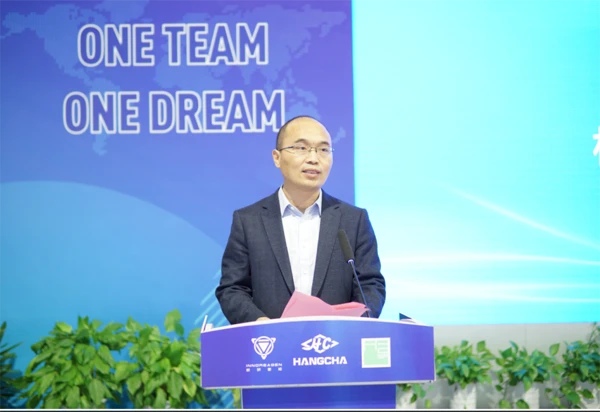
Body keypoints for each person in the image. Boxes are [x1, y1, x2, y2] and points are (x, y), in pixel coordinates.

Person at [215, 115, 386, 324]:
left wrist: (356, 323)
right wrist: (259, 323)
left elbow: (370, 284)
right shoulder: (249, 221)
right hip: (270, 341)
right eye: (301, 148)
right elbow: (232, 289)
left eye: (323, 149)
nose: (313, 158)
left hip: (336, 340)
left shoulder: (354, 220)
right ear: (277, 157)